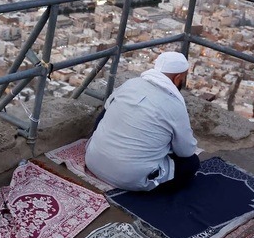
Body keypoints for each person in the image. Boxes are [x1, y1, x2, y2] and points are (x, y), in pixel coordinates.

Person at [85, 51, 200, 192]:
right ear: (177, 78)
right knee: (191, 163)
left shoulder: (130, 84)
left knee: (109, 109)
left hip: (92, 160)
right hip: (130, 179)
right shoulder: (174, 105)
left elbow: (104, 114)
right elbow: (185, 151)